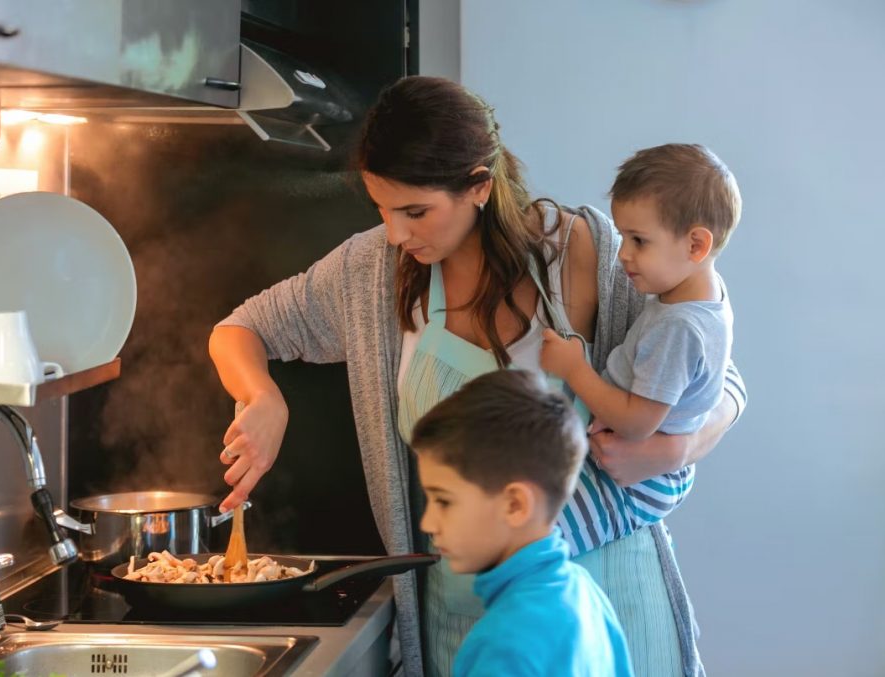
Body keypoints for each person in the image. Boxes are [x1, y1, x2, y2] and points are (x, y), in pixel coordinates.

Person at [208, 75, 747, 677]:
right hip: (464, 623)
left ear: (480, 187)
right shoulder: (371, 271)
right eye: (382, 209)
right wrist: (263, 398)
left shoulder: (587, 249)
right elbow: (241, 327)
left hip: (607, 606)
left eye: (416, 211)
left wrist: (672, 449)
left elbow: (718, 374)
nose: (396, 233)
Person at [541, 143, 740, 542]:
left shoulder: (680, 328)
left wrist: (575, 369)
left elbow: (635, 423)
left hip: (640, 482)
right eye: (621, 237)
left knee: (537, 540)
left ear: (696, 245)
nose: (622, 255)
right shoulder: (699, 290)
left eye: (638, 241)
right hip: (649, 462)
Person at [411, 368, 633, 677]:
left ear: (515, 505)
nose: (428, 523)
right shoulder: (585, 593)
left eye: (444, 501)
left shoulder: (503, 646)